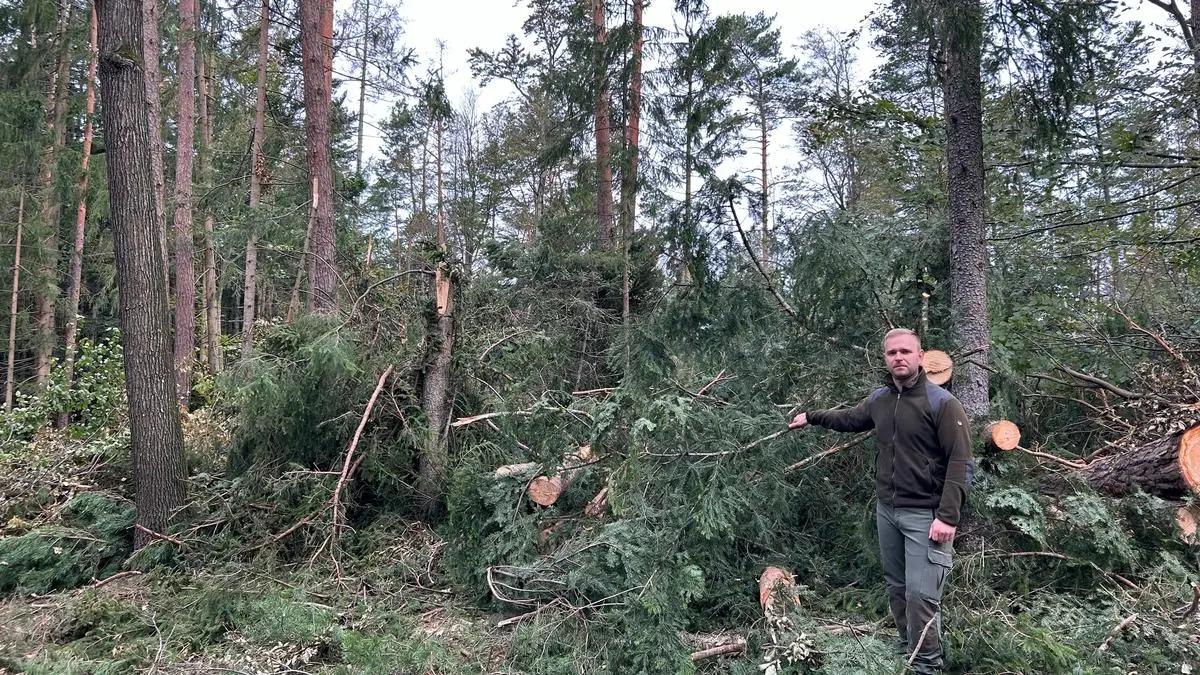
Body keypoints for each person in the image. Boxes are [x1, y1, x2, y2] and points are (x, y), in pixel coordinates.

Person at [789, 328, 973, 674]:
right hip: (888, 512)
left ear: (920, 357)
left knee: (922, 596)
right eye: (892, 353)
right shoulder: (881, 400)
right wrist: (812, 416)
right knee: (899, 589)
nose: (898, 357)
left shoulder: (942, 404)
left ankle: (926, 667)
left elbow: (961, 463)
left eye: (905, 351)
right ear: (885, 359)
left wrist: (947, 517)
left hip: (927, 514)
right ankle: (909, 648)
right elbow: (849, 418)